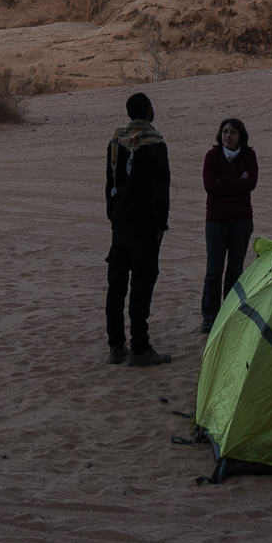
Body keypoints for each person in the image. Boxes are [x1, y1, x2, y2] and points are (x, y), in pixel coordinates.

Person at [104, 91, 171, 366]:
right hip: (144, 227)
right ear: (149, 111)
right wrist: (160, 224)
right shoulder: (154, 143)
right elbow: (160, 189)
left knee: (117, 287)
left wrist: (113, 214)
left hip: (120, 224)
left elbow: (110, 183)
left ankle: (116, 347)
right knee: (141, 285)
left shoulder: (116, 141)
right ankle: (140, 349)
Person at [200, 117, 257, 332]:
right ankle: (210, 316)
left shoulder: (248, 155)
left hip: (241, 221)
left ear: (240, 135)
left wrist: (222, 181)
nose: (228, 136)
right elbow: (209, 186)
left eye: (233, 132)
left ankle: (231, 311)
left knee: (235, 269)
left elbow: (251, 183)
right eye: (225, 131)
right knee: (214, 270)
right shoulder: (212, 156)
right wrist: (237, 183)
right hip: (216, 222)